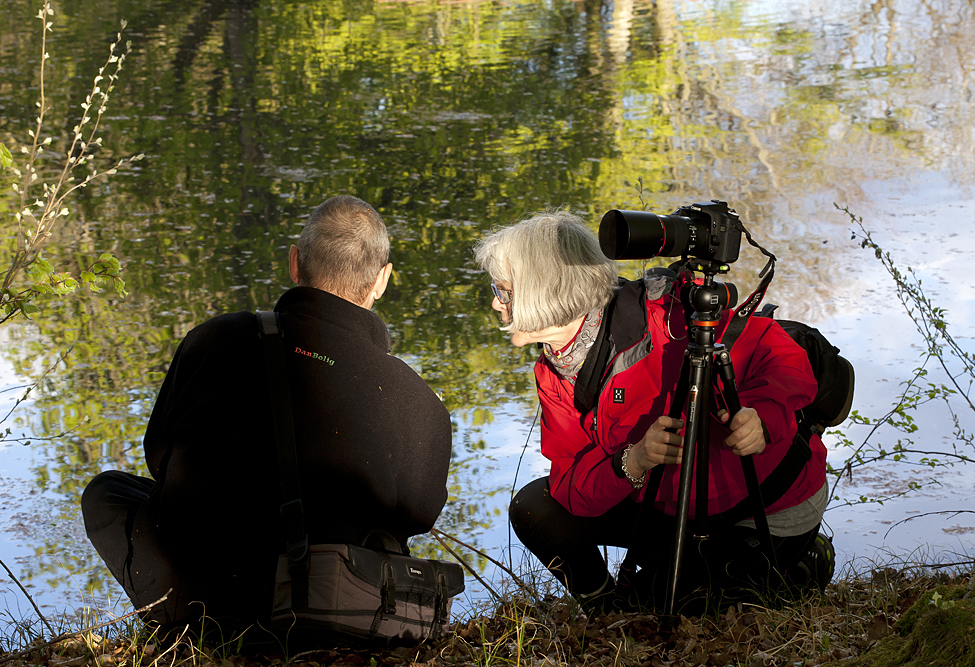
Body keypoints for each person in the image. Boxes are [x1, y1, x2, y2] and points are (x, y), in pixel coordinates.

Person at [82, 195, 453, 635]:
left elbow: (157, 457)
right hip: (342, 608)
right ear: (382, 280)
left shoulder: (214, 341)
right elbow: (419, 517)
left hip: (206, 601)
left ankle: (178, 620)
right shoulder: (421, 402)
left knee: (108, 491)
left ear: (295, 264)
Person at [474, 210, 831, 615]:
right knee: (536, 510)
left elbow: (784, 356)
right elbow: (571, 485)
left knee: (674, 611)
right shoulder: (556, 368)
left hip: (760, 510)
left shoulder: (672, 319)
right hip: (673, 507)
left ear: (544, 292)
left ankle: (805, 562)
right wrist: (632, 462)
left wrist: (762, 417)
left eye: (503, 290)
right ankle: (607, 609)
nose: (495, 302)